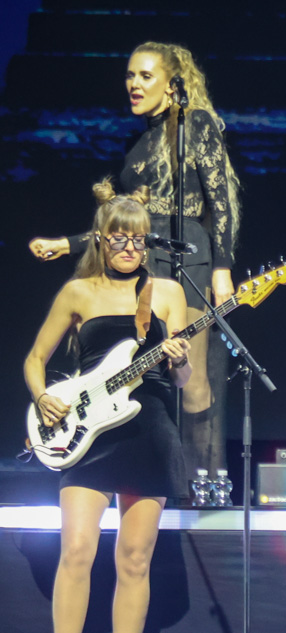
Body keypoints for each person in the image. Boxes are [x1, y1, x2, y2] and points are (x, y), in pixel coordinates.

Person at [28, 41, 241, 481]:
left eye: (146, 75)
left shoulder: (196, 124)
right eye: (130, 75)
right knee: (138, 373)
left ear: (171, 83)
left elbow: (220, 201)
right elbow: (125, 225)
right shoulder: (138, 142)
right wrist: (68, 244)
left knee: (191, 374)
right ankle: (142, 466)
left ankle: (200, 482)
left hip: (189, 257)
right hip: (142, 261)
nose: (134, 84)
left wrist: (222, 267)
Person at [25, 180, 191, 633]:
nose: (130, 248)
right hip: (88, 431)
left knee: (135, 559)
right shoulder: (78, 292)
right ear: (100, 238)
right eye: (120, 238)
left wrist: (179, 359)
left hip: (149, 428)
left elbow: (181, 379)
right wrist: (44, 397)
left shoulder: (167, 292)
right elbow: (35, 359)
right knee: (77, 549)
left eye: (139, 239)